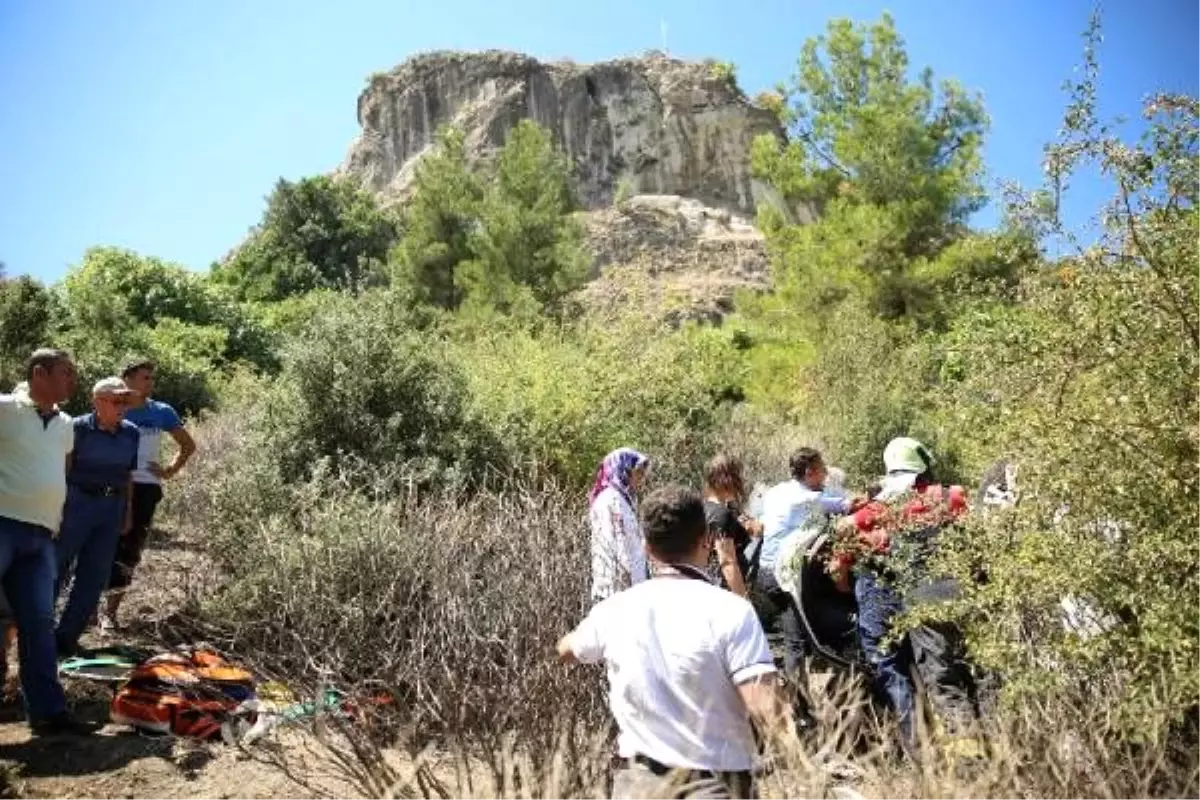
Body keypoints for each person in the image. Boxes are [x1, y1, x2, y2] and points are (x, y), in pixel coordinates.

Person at [558, 486, 788, 799]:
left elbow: (567, 649)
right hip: (714, 784)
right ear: (706, 541)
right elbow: (764, 705)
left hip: (638, 784)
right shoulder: (733, 611)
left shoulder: (617, 609)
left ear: (646, 547)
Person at [835, 436, 978, 755]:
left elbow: (843, 530)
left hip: (923, 603)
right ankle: (998, 746)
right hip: (965, 597)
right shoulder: (951, 495)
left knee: (940, 678)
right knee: (974, 674)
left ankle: (962, 762)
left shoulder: (885, 506)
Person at [0, 350, 98, 735]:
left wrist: (55, 518)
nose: (73, 380)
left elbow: (61, 470)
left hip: (40, 536)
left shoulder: (65, 424)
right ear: (38, 374)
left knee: (39, 624)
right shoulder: (5, 408)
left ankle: (47, 713)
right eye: (65, 373)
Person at [102, 358, 195, 631]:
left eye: (152, 378)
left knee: (130, 549)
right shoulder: (114, 408)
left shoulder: (161, 411)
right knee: (100, 544)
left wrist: (168, 470)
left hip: (145, 487)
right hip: (111, 485)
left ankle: (110, 612)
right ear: (127, 380)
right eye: (145, 377)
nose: (150, 383)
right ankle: (85, 609)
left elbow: (188, 445)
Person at [755, 448, 861, 682]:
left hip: (768, 572)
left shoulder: (777, 491)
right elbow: (845, 506)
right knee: (797, 641)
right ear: (811, 472)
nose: (825, 474)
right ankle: (799, 707)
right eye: (823, 469)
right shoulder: (807, 499)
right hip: (783, 575)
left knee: (800, 633)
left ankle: (806, 696)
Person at [54, 377, 139, 656]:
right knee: (56, 569)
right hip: (77, 502)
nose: (122, 407)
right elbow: (63, 470)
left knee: (93, 576)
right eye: (116, 400)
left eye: (125, 401)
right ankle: (38, 635)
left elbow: (128, 475)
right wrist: (58, 508)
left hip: (111, 507)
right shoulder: (77, 428)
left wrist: (127, 511)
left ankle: (66, 639)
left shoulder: (131, 433)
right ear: (97, 402)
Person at [588, 448, 650, 603]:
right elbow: (617, 542)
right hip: (617, 589)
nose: (641, 478)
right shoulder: (612, 500)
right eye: (638, 472)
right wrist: (626, 582)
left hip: (626, 586)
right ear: (623, 470)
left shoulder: (622, 499)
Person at [702, 454, 763, 598]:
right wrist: (743, 600)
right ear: (728, 479)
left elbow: (756, 529)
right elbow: (727, 562)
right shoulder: (721, 515)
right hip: (723, 587)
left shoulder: (704, 506)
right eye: (738, 475)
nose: (741, 480)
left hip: (709, 581)